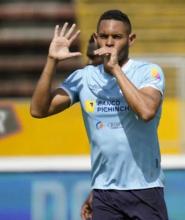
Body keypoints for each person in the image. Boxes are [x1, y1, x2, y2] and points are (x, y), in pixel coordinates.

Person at [30, 9, 168, 220]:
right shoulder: (84, 78)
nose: (109, 42)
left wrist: (115, 70)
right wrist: (51, 61)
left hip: (146, 190)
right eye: (104, 36)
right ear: (96, 38)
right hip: (105, 195)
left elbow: (147, 111)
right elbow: (38, 110)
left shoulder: (148, 72)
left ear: (131, 40)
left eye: (117, 37)